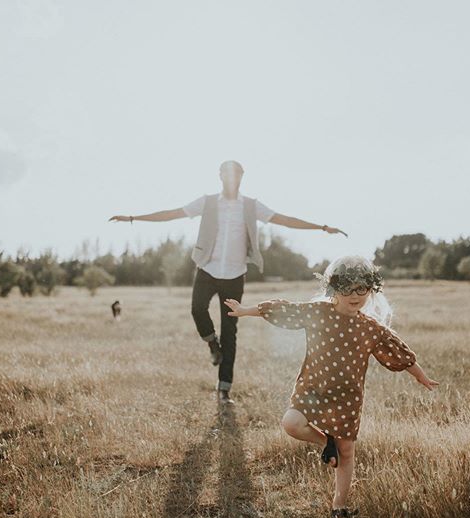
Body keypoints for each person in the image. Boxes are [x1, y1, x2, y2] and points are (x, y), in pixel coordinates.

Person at [109, 160, 347, 404]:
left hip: (235, 274)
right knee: (197, 309)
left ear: (242, 177)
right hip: (207, 269)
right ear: (220, 176)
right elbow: (173, 214)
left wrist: (322, 227)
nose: (232, 179)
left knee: (230, 331)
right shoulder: (207, 202)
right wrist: (132, 217)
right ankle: (212, 343)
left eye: (236, 175)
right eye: (227, 174)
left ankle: (224, 389)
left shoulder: (252, 206)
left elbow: (283, 219)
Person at [224, 255, 439, 518]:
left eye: (362, 289)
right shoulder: (318, 312)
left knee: (347, 452)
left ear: (371, 291)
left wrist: (422, 376)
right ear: (333, 289)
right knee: (291, 423)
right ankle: (327, 444)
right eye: (347, 288)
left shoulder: (370, 328)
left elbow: (399, 352)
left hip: (347, 400)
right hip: (313, 388)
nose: (355, 295)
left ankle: (339, 506)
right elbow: (284, 310)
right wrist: (246, 310)